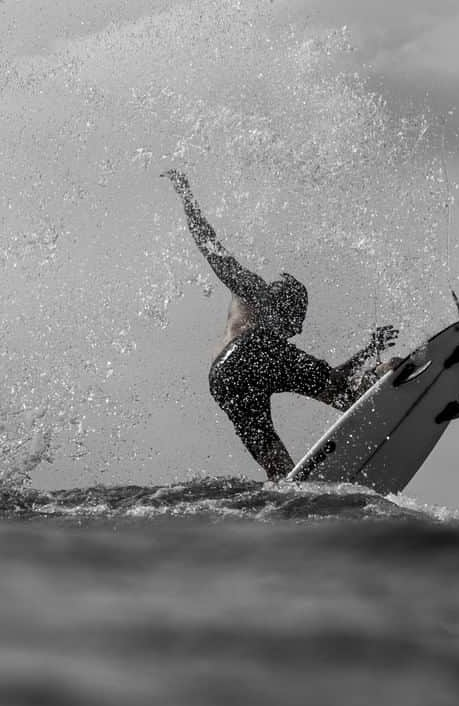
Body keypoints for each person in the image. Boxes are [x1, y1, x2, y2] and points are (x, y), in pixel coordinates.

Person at [162, 169, 400, 480]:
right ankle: (387, 375)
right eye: (296, 321)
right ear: (284, 304)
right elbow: (211, 248)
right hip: (248, 355)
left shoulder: (255, 313)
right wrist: (188, 199)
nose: (297, 330)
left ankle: (291, 495)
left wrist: (368, 350)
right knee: (345, 398)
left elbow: (329, 379)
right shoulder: (255, 292)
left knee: (279, 469)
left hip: (222, 380)